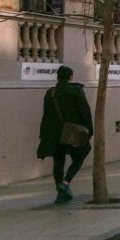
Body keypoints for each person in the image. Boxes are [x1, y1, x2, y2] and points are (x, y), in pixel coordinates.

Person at [37, 65, 93, 204]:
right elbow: (85, 112)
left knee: (58, 162)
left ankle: (60, 192)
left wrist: (44, 135)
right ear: (70, 77)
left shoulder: (51, 93)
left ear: (58, 77)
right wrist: (89, 130)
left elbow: (47, 115)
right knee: (81, 154)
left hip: (55, 133)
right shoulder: (76, 91)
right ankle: (66, 183)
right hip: (73, 132)